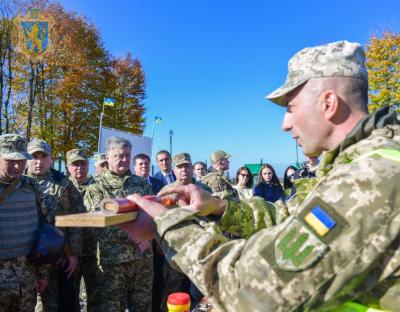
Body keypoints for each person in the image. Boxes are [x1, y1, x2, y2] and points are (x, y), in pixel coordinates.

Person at [120, 41, 400, 311]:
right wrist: (218, 206)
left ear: (328, 103)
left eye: (291, 108)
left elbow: (253, 292)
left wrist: (166, 224)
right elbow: (289, 216)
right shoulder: (362, 164)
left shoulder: (370, 177)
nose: (285, 124)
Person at [84, 136, 154, 312]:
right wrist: (138, 235)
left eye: (127, 155)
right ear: (107, 157)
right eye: (119, 155)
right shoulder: (97, 186)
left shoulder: (140, 183)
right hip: (113, 260)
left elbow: (153, 213)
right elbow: (97, 223)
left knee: (143, 304)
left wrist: (147, 235)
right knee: (112, 306)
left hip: (143, 258)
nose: (124, 160)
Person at [27, 139, 83, 312]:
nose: (39, 161)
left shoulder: (64, 184)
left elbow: (76, 218)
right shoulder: (18, 183)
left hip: (55, 256)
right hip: (24, 258)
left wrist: (74, 253)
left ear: (51, 159)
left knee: (55, 304)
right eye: (34, 156)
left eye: (43, 156)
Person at [0, 134, 49, 312]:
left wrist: (43, 273)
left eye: (21, 160)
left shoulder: (32, 186)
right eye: (10, 161)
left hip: (26, 275)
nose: (17, 166)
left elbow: (43, 230)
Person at [66, 149, 101, 312]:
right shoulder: (62, 188)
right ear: (68, 166)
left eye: (83, 163)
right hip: (68, 253)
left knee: (95, 295)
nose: (79, 167)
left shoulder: (99, 187)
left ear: (88, 165)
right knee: (70, 296)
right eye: (75, 164)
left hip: (94, 252)